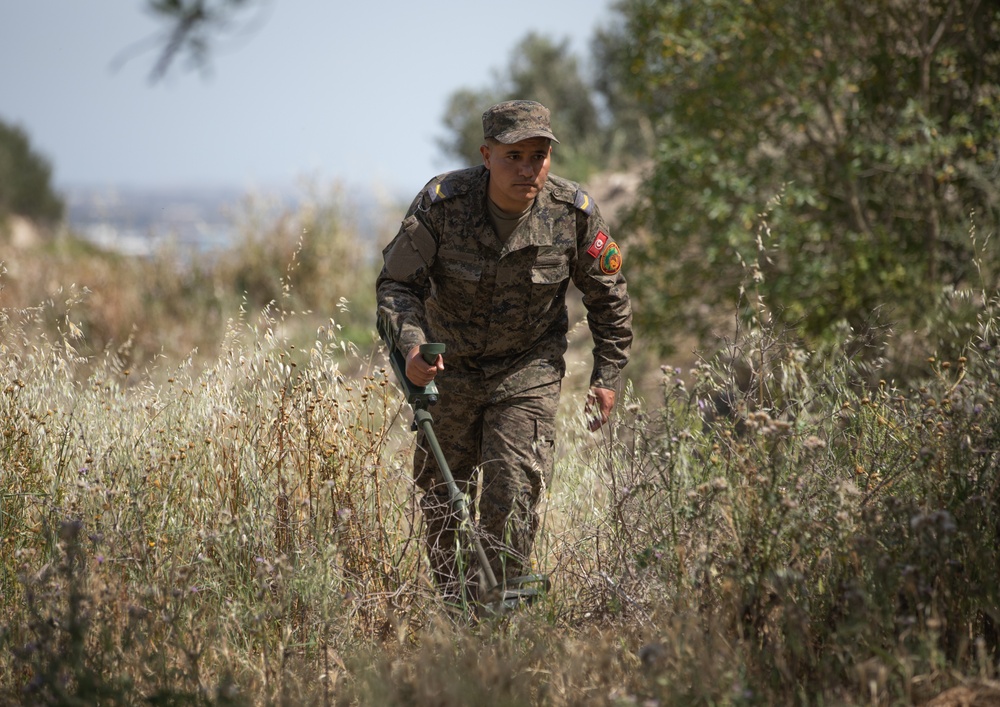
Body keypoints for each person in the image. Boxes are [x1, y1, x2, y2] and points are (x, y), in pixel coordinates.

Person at [376, 99, 632, 603]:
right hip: (447, 368)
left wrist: (608, 375)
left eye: (538, 155)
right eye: (513, 155)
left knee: (511, 489)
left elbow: (609, 295)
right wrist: (411, 349)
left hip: (527, 368)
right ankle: (457, 612)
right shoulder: (442, 204)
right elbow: (396, 286)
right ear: (486, 155)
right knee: (443, 501)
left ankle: (500, 611)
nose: (527, 168)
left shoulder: (571, 213)